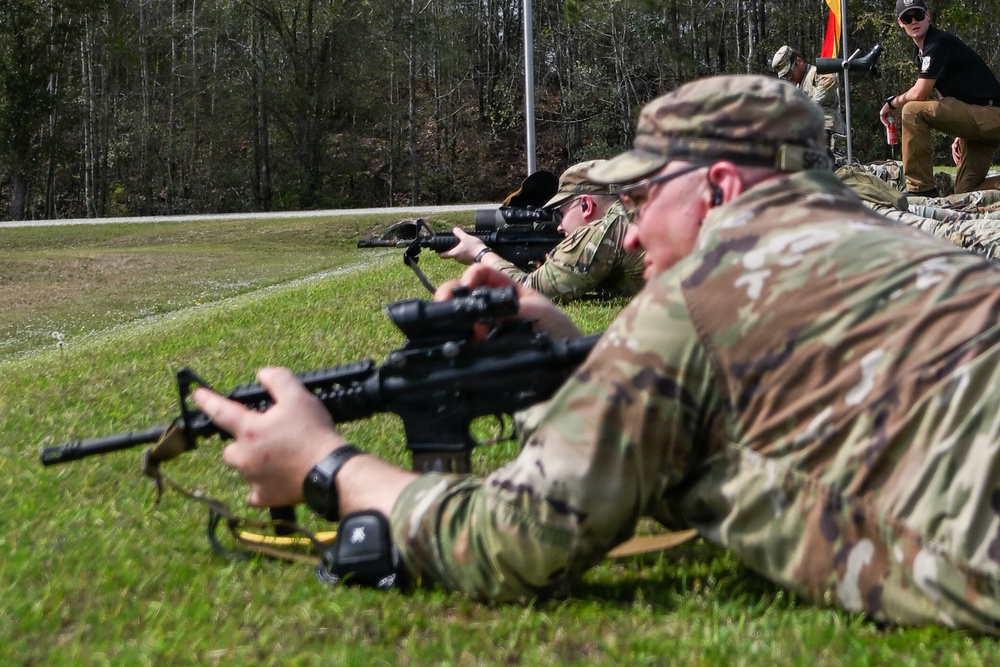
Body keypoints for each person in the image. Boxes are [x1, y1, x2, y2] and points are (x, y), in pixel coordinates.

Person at [195, 75, 1000, 634]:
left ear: (719, 190)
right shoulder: (912, 249)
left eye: (647, 197)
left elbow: (518, 541)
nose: (636, 228)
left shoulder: (702, 292)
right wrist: (583, 352)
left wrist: (326, 463)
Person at [438, 160, 645, 303]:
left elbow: (531, 291)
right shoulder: (635, 212)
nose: (560, 226)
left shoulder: (605, 229)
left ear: (586, 205)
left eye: (561, 213)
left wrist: (479, 253)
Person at [879, 0, 1000, 196]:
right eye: (907, 18)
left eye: (918, 15)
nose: (913, 21)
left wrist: (891, 102)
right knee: (965, 192)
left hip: (991, 115)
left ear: (927, 15)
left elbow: (920, 93)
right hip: (979, 119)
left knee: (912, 110)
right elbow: (945, 96)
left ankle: (921, 190)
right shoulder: (920, 52)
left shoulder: (938, 42)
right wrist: (959, 131)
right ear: (900, 23)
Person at [771, 45, 845, 159]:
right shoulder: (799, 86)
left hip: (829, 133)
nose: (789, 78)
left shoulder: (815, 72)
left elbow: (831, 80)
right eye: (785, 76)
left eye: (789, 72)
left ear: (799, 62)